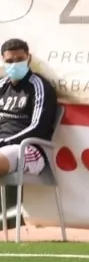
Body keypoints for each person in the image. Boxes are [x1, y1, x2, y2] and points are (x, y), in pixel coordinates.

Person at [0, 38, 58, 180]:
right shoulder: (2, 86)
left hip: (28, 147)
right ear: (2, 60)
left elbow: (38, 127)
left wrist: (5, 141)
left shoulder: (39, 86)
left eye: (19, 59)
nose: (14, 64)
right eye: (9, 61)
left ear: (28, 58)